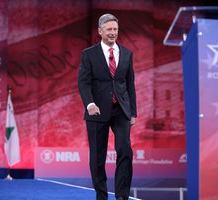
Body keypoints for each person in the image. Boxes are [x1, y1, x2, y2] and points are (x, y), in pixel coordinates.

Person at [78, 13, 137, 200]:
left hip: (121, 109)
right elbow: (83, 82)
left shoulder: (127, 53)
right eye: (109, 29)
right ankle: (101, 196)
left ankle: (122, 196)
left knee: (125, 150)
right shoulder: (88, 54)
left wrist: (132, 112)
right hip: (97, 110)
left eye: (115, 29)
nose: (113, 33)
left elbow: (130, 84)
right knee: (97, 157)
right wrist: (89, 104)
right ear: (100, 31)